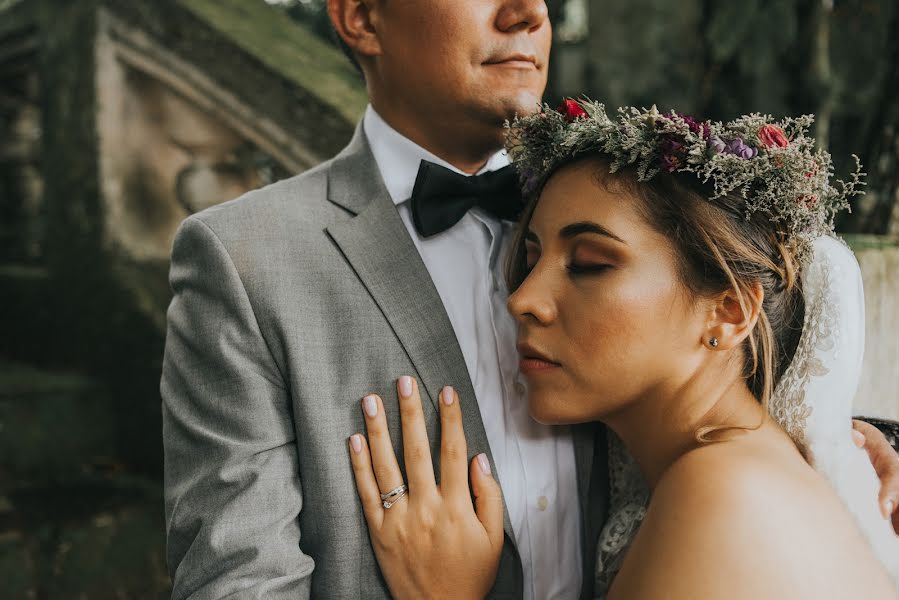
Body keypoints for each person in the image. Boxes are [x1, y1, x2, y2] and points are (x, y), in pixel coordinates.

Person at [160, 1, 899, 597]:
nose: (529, 14)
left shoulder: (620, 197)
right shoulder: (248, 258)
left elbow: (704, 381)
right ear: (359, 16)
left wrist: (843, 449)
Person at [346, 102, 899, 599]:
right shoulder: (733, 469)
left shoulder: (721, 491)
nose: (523, 299)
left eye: (589, 264)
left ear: (728, 311)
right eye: (529, 259)